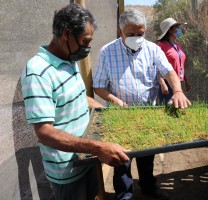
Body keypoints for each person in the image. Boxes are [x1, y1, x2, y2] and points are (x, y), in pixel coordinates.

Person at [21, 4, 129, 200]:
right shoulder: (37, 72)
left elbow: (78, 96)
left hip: (85, 158)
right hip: (67, 172)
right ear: (66, 34)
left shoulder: (70, 60)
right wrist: (98, 148)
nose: (88, 47)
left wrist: (108, 113)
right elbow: (44, 132)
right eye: (86, 41)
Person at [93, 9, 191, 200]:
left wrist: (177, 90)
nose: (136, 38)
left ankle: (148, 187)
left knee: (148, 155)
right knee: (121, 160)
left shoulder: (153, 49)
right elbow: (98, 86)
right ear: (120, 31)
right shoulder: (107, 52)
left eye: (140, 34)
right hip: (120, 115)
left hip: (148, 112)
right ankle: (124, 195)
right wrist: (115, 100)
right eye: (131, 34)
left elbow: (169, 71)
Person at [157, 18, 191, 105]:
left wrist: (186, 80)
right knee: (168, 108)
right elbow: (156, 67)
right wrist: (162, 83)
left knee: (178, 108)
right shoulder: (161, 46)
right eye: (176, 27)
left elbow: (180, 64)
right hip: (167, 84)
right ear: (170, 30)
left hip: (178, 84)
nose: (179, 29)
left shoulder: (178, 46)